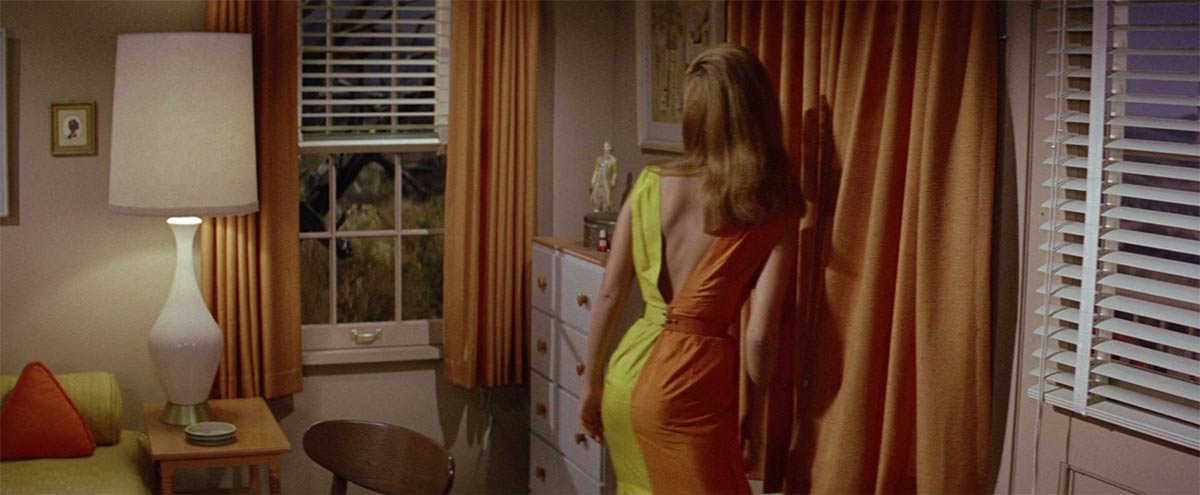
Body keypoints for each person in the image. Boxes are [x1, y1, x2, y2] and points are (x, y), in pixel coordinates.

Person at [579, 44, 801, 495]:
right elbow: (760, 335)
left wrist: (591, 384)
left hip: (627, 373)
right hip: (690, 386)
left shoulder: (649, 183)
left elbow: (610, 293)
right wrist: (753, 415)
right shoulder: (771, 204)